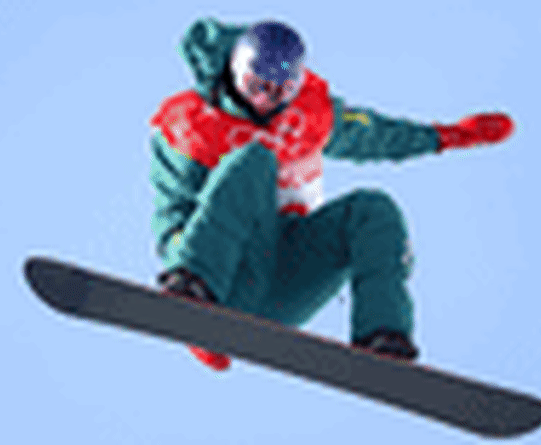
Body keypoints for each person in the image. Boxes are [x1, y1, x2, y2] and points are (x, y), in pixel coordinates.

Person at [148, 18, 514, 371]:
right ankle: (195, 284)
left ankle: (381, 335)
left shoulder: (308, 115)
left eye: (280, 91)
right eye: (256, 85)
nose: (265, 100)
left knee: (373, 209)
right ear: (234, 72)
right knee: (254, 159)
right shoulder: (192, 124)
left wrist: (445, 137)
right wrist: (191, 313)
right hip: (225, 275)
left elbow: (376, 136)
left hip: (288, 275)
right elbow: (172, 211)